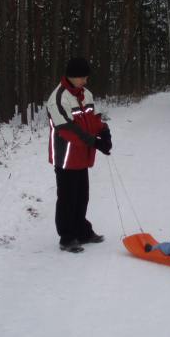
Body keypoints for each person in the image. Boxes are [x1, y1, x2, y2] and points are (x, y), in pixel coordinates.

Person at [46, 56, 112, 253]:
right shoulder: (58, 98)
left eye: (86, 77)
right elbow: (67, 130)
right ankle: (67, 237)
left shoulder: (86, 94)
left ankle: (82, 230)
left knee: (82, 196)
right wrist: (94, 142)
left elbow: (91, 119)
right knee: (67, 197)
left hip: (83, 155)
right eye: (82, 77)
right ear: (72, 76)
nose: (85, 81)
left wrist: (104, 131)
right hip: (66, 156)